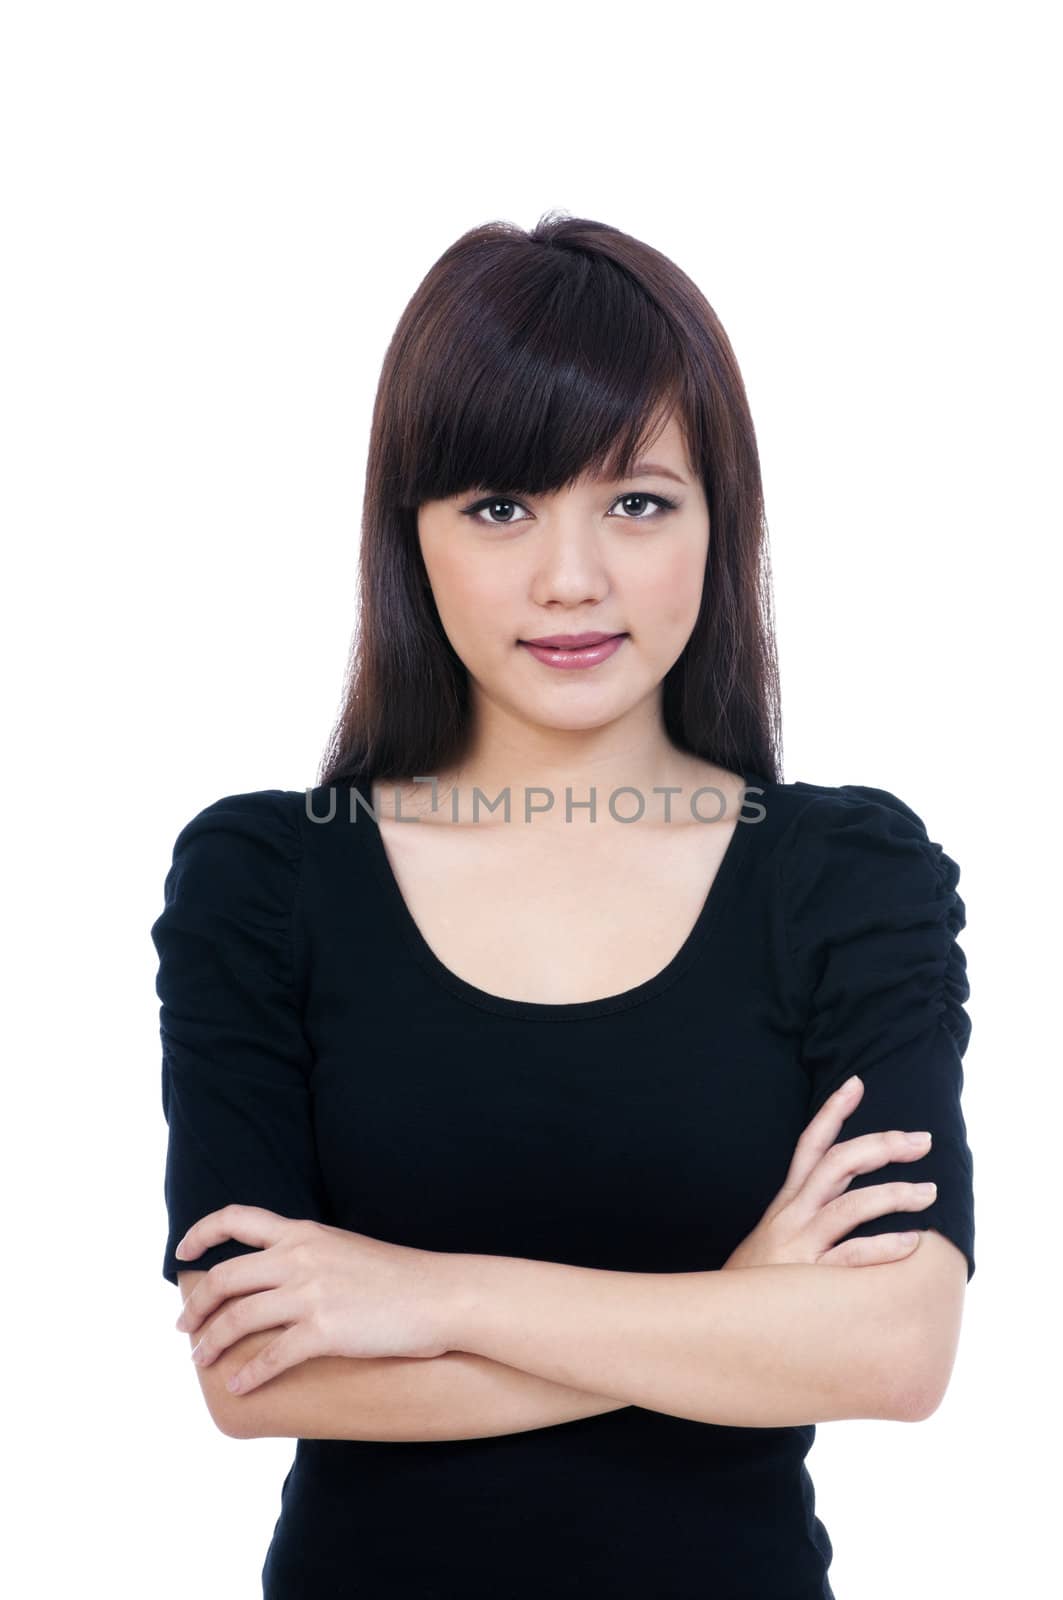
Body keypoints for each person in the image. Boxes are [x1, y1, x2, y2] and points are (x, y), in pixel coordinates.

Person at [151, 211, 975, 1599]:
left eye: (638, 501)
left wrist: (429, 1297)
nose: (570, 579)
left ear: (722, 522)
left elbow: (897, 1353)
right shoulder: (265, 880)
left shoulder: (845, 877)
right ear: (409, 536)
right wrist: (734, 1309)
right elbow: (253, 1371)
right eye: (499, 506)